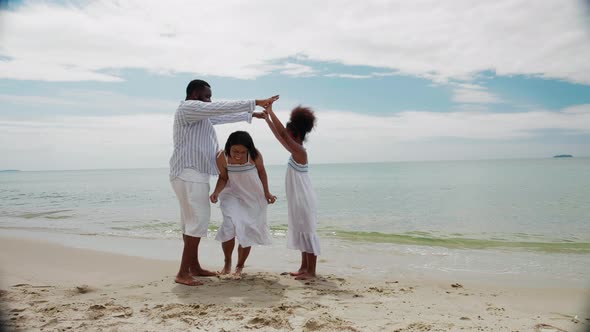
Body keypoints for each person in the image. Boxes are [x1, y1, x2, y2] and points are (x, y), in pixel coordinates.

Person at [169, 79, 278, 286]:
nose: (210, 101)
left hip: (191, 174)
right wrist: (256, 102)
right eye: (206, 97)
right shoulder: (187, 108)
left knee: (190, 222)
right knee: (198, 222)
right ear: (193, 95)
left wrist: (250, 115)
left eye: (210, 97)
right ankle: (183, 273)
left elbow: (221, 115)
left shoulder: (200, 117)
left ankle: (194, 267)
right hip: (189, 173)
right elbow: (222, 107)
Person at [262, 103, 320, 280]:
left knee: (307, 231)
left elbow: (282, 136)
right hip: (297, 199)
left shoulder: (300, 151)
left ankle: (311, 271)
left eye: (289, 134)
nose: (286, 137)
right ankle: (304, 267)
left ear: (296, 135)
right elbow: (281, 137)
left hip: (303, 199)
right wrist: (267, 119)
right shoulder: (294, 149)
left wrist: (271, 112)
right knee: (301, 230)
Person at [209, 131, 277, 278]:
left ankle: (239, 266)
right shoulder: (222, 157)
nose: (238, 155)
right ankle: (227, 263)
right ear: (229, 148)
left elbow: (262, 173)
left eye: (242, 151)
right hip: (231, 194)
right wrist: (216, 192)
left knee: (247, 228)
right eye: (235, 151)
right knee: (229, 225)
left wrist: (267, 193)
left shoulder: (254, 155)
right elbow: (223, 177)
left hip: (252, 196)